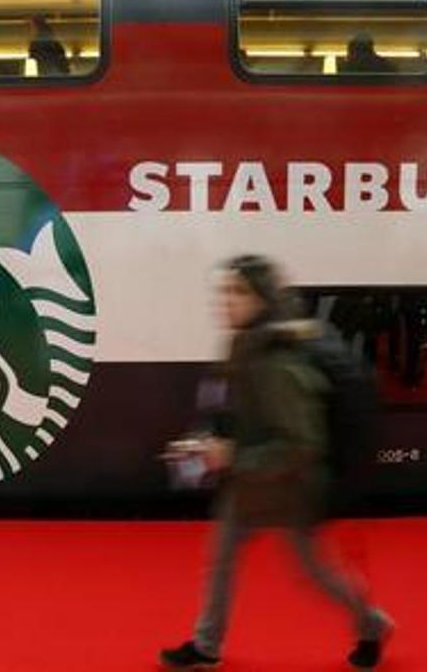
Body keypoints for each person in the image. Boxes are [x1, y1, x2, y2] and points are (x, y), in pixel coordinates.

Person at [160, 255, 392, 670]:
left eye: (238, 291)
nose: (225, 300)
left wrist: (233, 455)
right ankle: (206, 645)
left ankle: (372, 625)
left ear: (263, 298)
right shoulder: (244, 344)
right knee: (221, 560)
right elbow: (230, 409)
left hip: (291, 490)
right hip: (249, 485)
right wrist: (204, 442)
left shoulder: (278, 362)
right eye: (224, 290)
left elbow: (303, 444)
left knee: (317, 574)